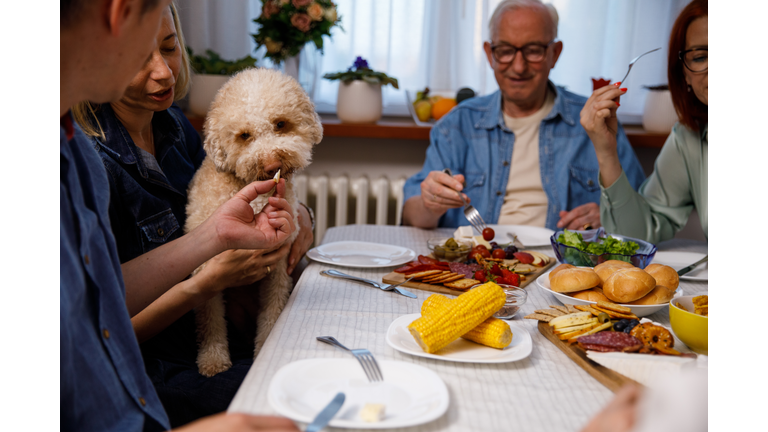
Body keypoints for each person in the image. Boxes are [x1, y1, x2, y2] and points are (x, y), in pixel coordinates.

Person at [60, 0, 299, 431]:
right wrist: (206, 281)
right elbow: (103, 329)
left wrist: (296, 213)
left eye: (170, 46)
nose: (165, 72)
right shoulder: (87, 155)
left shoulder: (174, 126)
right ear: (118, 15)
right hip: (164, 366)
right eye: (139, 56)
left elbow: (103, 293)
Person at [402, 0, 646, 232]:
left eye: (533, 51)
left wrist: (607, 216)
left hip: (562, 268)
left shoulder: (596, 121)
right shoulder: (456, 125)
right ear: (490, 54)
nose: (518, 67)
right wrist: (428, 203)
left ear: (555, 53)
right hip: (476, 265)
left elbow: (641, 214)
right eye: (506, 51)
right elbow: (413, 216)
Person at [581, 0, 707, 243]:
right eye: (701, 57)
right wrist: (606, 152)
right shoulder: (688, 138)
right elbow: (634, 237)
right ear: (685, 75)